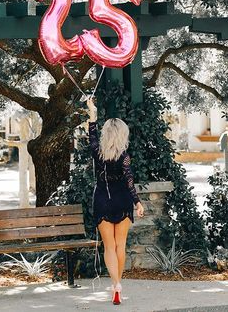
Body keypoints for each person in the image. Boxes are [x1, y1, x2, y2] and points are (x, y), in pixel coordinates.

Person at [87, 98, 144, 305]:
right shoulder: (124, 156)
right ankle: (117, 286)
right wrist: (137, 203)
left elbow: (91, 135)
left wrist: (92, 113)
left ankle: (115, 284)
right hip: (122, 200)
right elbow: (129, 182)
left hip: (102, 199)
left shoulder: (98, 153)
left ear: (107, 135)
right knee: (121, 245)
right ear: (122, 135)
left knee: (108, 247)